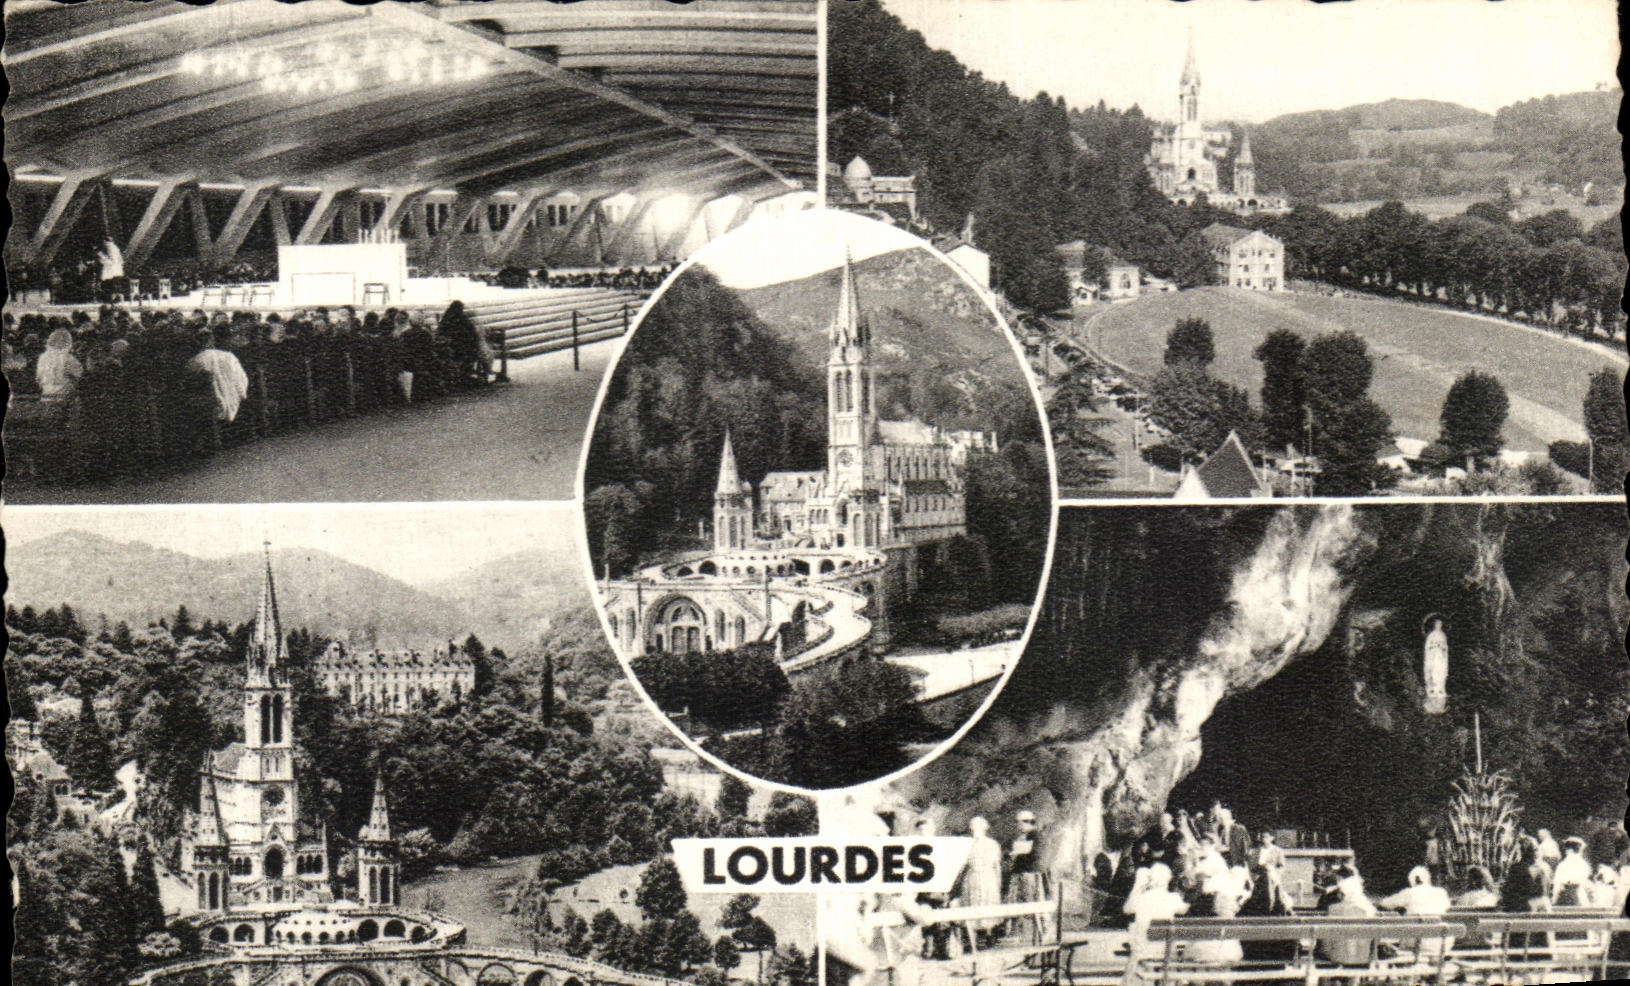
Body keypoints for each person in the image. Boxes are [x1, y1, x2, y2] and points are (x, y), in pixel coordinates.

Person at [1124, 863, 1188, 962]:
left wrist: (1138, 887)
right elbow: (1184, 909)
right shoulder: (1173, 898)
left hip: (1143, 949)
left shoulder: (1141, 898)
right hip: (1165, 949)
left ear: (1150, 879)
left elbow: (1127, 909)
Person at [187, 328, 250, 424]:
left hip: (212, 399)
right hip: (233, 396)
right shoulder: (229, 356)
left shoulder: (195, 361)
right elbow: (243, 378)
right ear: (212, 340)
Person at [959, 816, 1004, 947]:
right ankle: (973, 935)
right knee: (973, 903)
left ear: (984, 828)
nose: (975, 830)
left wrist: (998, 882)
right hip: (972, 877)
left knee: (988, 902)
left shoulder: (992, 844)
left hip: (988, 877)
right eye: (973, 827)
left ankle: (989, 934)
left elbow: (996, 865)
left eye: (978, 827)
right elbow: (963, 865)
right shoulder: (968, 844)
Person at [1007, 809, 1051, 942]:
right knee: (1020, 902)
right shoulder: (1025, 836)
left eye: (1019, 822)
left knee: (1034, 902)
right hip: (1022, 873)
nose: (1018, 826)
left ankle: (1043, 930)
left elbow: (1035, 857)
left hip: (1029, 874)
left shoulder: (1036, 836)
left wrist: (1018, 856)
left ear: (1027, 822)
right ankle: (1019, 931)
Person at [36, 327, 82, 398]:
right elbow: (79, 376)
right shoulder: (68, 358)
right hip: (65, 397)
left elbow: (38, 379)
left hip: (46, 395)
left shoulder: (42, 357)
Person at [1552, 837, 1592, 906]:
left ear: (1568, 850)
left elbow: (1557, 884)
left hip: (1565, 897)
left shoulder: (1562, 865)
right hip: (1580, 897)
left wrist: (1553, 900)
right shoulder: (1584, 864)